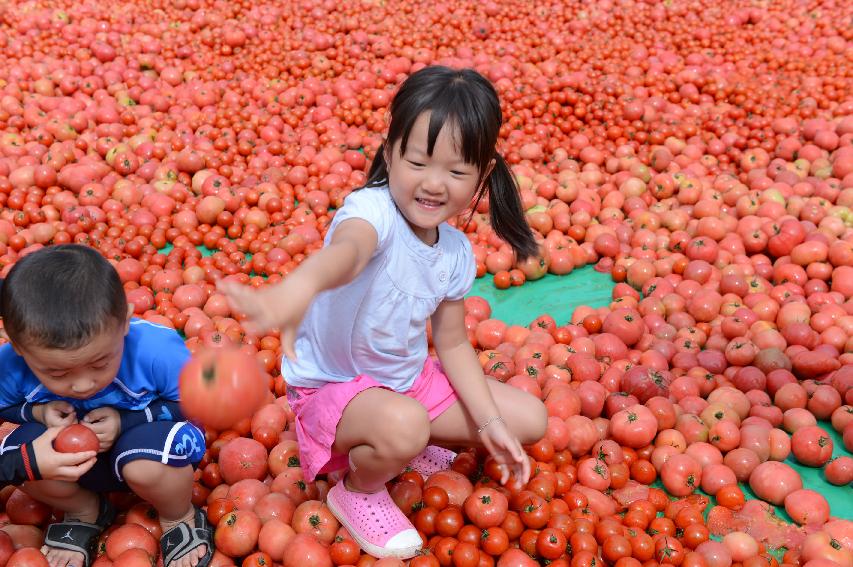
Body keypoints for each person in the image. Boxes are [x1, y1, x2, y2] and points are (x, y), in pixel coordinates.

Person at [219, 66, 548, 559]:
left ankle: (405, 434)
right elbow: (348, 252)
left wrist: (488, 425)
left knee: (530, 418)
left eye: (457, 172)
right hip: (333, 389)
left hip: (405, 382)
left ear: (483, 175)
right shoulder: (371, 213)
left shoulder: (455, 251)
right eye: (418, 162)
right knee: (406, 423)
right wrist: (300, 285)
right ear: (390, 152)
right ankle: (357, 489)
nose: (434, 185)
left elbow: (454, 343)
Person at [0, 245, 211, 567]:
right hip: (71, 466)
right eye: (57, 372)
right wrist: (36, 413)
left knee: (150, 460)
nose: (84, 385)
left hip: (151, 449)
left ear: (124, 322)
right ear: (18, 348)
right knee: (18, 453)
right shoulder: (10, 365)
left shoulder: (156, 350)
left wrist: (128, 421)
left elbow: (197, 404)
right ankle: (84, 509)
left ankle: (178, 515)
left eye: (100, 362)